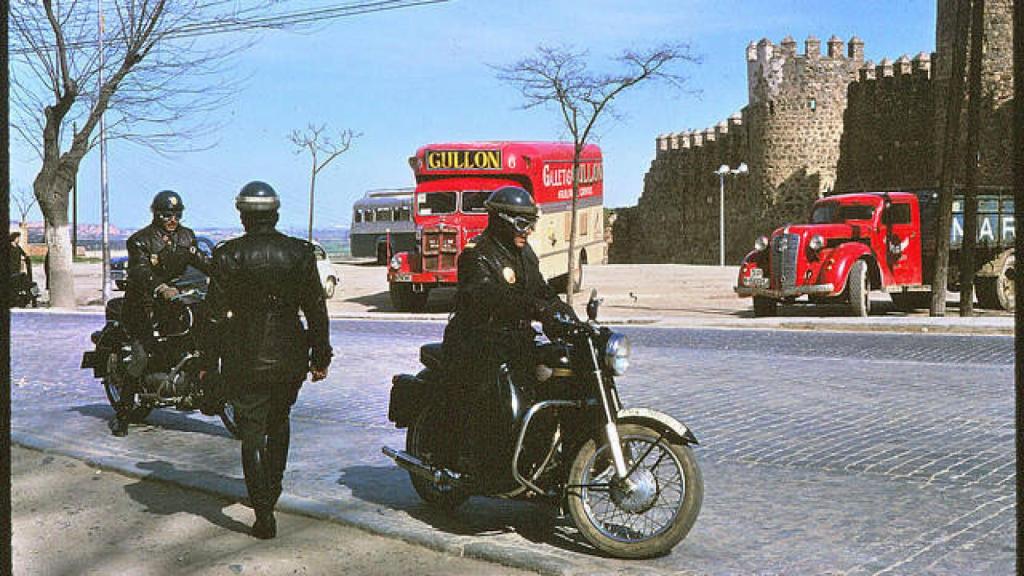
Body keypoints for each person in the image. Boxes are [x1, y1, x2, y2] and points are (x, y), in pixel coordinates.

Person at [202, 181, 332, 539]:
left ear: (242, 216)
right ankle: (271, 491)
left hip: (244, 354)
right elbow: (316, 311)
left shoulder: (228, 255)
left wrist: (208, 364)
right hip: (290, 353)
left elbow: (212, 319)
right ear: (275, 214)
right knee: (280, 421)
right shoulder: (300, 253)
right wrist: (321, 355)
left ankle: (263, 513)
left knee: (252, 431)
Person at [440, 186, 576, 486]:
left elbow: (543, 291)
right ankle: (482, 463)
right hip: (477, 342)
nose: (527, 231)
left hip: (515, 341)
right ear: (500, 220)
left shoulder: (525, 254)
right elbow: (488, 298)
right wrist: (537, 309)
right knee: (505, 402)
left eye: (530, 223)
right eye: (520, 222)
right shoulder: (477, 255)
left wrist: (566, 316)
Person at [112, 190, 210, 437]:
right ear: (156, 214)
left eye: (176, 214)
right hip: (142, 307)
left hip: (172, 304)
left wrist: (227, 271)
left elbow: (202, 261)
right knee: (141, 357)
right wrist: (160, 287)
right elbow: (141, 271)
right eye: (167, 214)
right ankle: (123, 416)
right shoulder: (140, 240)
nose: (172, 220)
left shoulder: (186, 237)